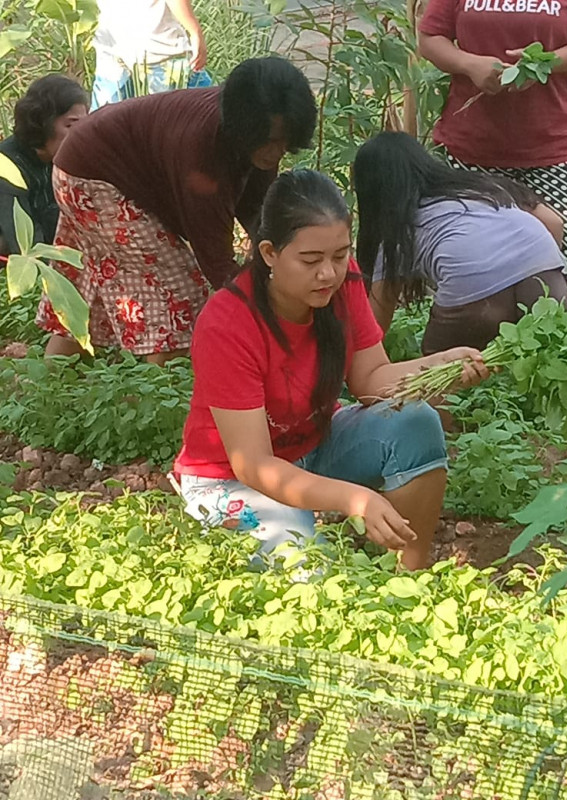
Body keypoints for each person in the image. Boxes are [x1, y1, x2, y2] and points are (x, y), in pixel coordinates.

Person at [173, 169, 489, 570]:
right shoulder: (228, 322)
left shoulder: (343, 284)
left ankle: (410, 575)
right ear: (269, 253)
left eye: (340, 256)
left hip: (314, 445)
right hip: (229, 479)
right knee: (304, 561)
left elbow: (372, 379)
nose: (329, 273)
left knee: (417, 424)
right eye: (311, 260)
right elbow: (253, 465)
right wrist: (355, 499)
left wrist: (438, 366)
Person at [37, 56, 317, 364]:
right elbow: (216, 261)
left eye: (285, 143)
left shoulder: (250, 132)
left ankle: (51, 374)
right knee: (179, 285)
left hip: (86, 165)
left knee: (85, 286)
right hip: (94, 179)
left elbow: (258, 215)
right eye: (272, 143)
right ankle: (158, 390)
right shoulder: (202, 153)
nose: (277, 153)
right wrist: (270, 310)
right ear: (247, 130)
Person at [418, 0, 567, 290]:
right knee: (470, 271)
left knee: (554, 277)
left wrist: (545, 62)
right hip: (470, 150)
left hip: (550, 150)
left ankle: (547, 333)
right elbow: (429, 37)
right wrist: (469, 64)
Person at [354, 132, 567, 353]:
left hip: (476, 290)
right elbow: (553, 222)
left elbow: (377, 321)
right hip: (546, 275)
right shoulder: (479, 186)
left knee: (436, 371)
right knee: (546, 361)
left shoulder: (396, 232)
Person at [0, 76, 88, 257]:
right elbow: (26, 248)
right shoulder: (6, 167)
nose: (80, 134)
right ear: (42, 122)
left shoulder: (56, 158)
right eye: (70, 125)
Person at [91, 0, 210, 110]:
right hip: (159, 49)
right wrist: (195, 32)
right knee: (206, 116)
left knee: (104, 125)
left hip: (113, 47)